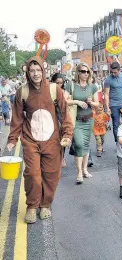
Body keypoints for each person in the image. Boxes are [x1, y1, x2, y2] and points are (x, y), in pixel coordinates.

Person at [7, 56, 73, 223]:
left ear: (43, 71)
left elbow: (65, 113)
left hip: (52, 140)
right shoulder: (22, 91)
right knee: (33, 175)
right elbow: (17, 117)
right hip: (30, 140)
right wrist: (13, 139)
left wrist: (67, 134)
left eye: (38, 70)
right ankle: (32, 206)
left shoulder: (53, 89)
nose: (35, 73)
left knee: (51, 175)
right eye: (32, 70)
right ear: (28, 72)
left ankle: (45, 205)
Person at [66, 63, 99, 184]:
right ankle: (79, 172)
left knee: (85, 145)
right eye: (83, 71)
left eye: (87, 72)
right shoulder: (71, 85)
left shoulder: (92, 86)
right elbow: (64, 100)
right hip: (76, 121)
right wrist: (77, 102)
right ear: (78, 72)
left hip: (89, 120)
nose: (85, 74)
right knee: (79, 144)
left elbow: (98, 104)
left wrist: (91, 102)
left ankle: (85, 169)